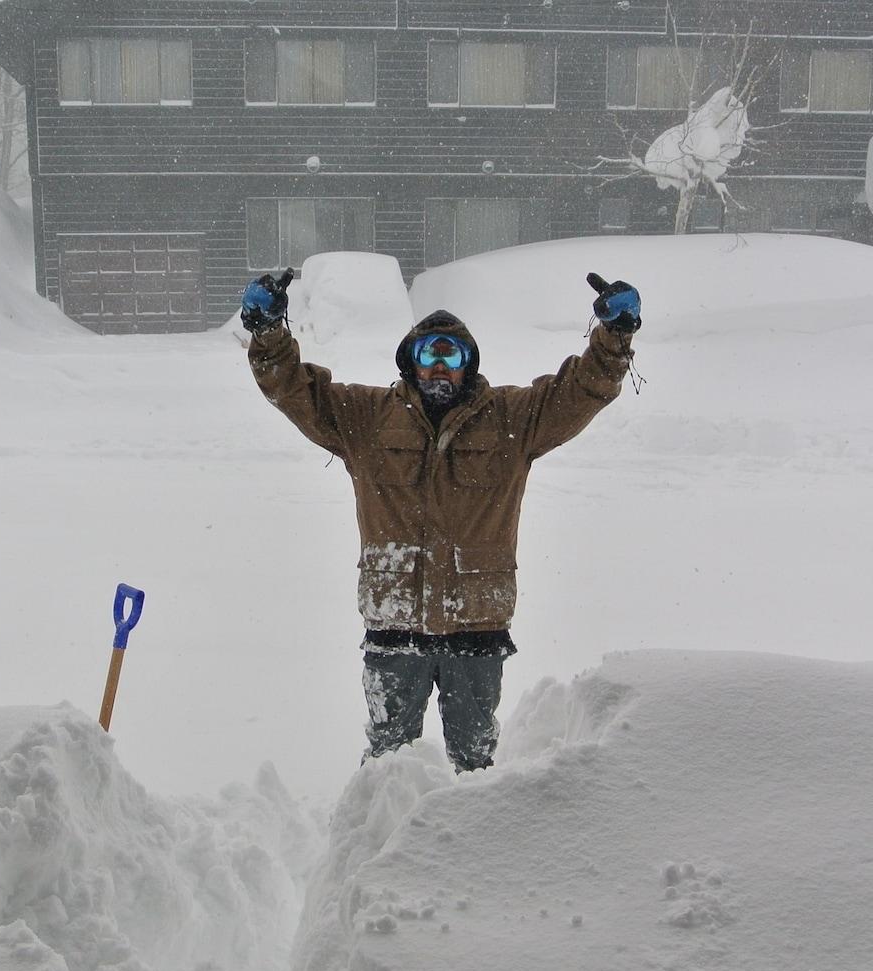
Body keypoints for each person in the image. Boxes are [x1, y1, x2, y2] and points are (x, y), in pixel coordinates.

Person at [241, 267, 641, 772]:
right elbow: (298, 392)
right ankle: (379, 845)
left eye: (450, 356)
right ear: (410, 361)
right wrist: (267, 332)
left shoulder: (511, 419)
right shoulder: (367, 419)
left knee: (474, 768)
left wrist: (614, 337)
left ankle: (479, 850)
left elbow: (577, 392)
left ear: (468, 364)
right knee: (389, 766)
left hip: (475, 629)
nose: (438, 367)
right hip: (394, 628)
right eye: (428, 354)